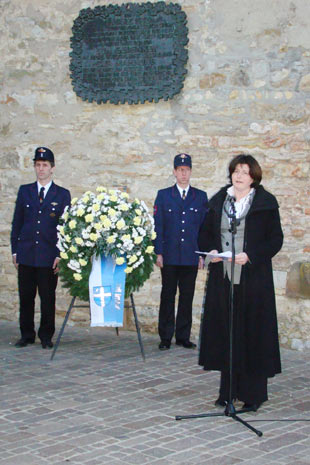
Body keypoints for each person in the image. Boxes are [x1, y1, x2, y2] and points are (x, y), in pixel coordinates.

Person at [198, 154, 283, 411]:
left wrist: (252, 256)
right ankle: (228, 391)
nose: (239, 176)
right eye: (236, 171)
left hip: (253, 280)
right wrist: (211, 251)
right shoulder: (218, 202)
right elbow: (205, 234)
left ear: (253, 176)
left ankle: (253, 395)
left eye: (245, 172)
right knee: (227, 332)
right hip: (224, 279)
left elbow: (275, 240)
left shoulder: (265, 203)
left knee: (252, 333)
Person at [11, 147, 71, 349]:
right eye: (38, 165)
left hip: (48, 256)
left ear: (52, 168)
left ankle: (46, 335)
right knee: (26, 297)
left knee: (47, 298)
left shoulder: (62, 195)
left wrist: (60, 254)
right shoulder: (25, 191)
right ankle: (26, 334)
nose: (41, 169)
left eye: (45, 165)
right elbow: (17, 223)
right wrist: (15, 250)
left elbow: (65, 228)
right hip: (27, 253)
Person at [153, 153, 208, 350]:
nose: (184, 174)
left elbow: (203, 228)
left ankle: (183, 336)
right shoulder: (164, 195)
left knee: (187, 296)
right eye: (180, 170)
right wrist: (158, 252)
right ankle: (165, 336)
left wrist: (202, 254)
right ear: (174, 172)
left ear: (191, 172)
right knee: (167, 295)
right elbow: (158, 226)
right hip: (169, 255)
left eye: (187, 170)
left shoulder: (200, 197)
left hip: (190, 255)